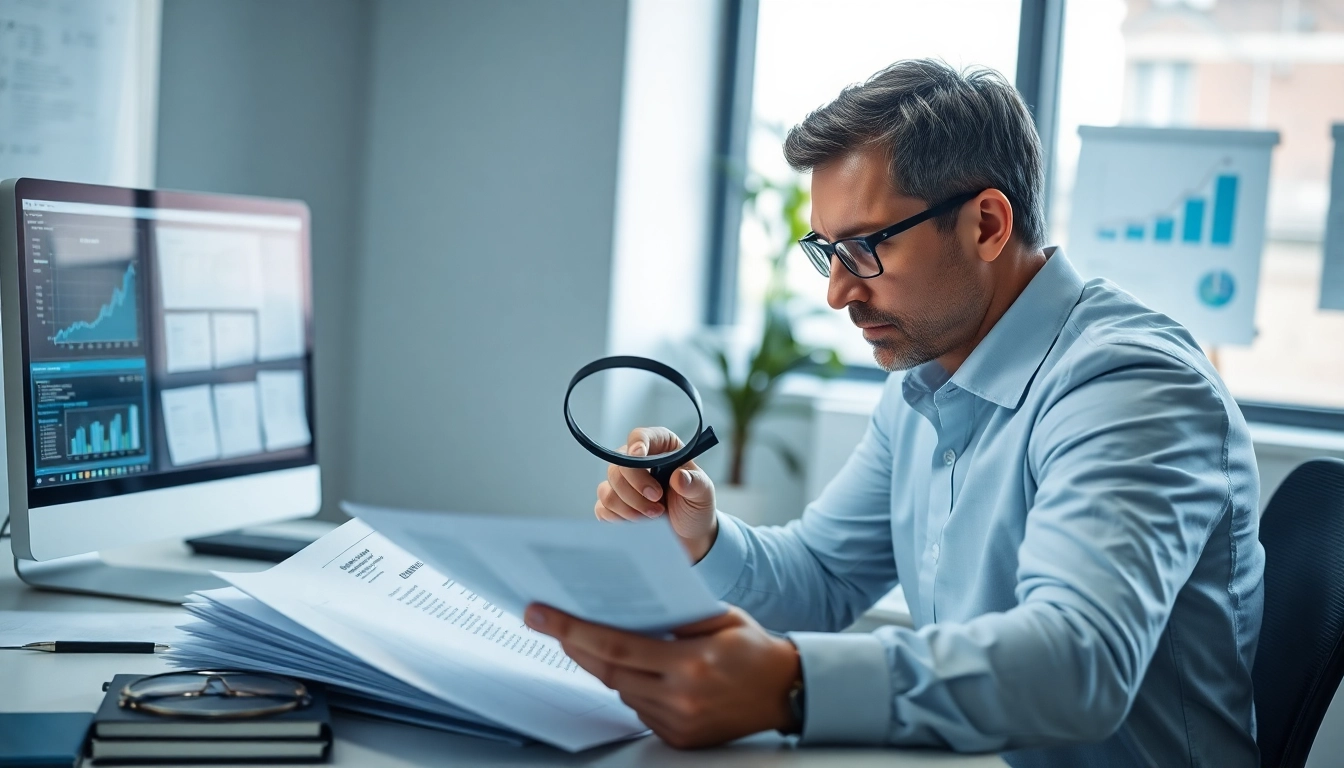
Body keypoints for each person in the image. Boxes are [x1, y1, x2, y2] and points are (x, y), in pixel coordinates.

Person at [524, 59, 1263, 767]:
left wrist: (792, 683)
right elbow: (822, 576)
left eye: (866, 248)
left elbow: (1078, 663)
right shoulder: (927, 379)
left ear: (986, 225)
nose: (838, 292)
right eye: (828, 252)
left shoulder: (1131, 386)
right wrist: (700, 535)